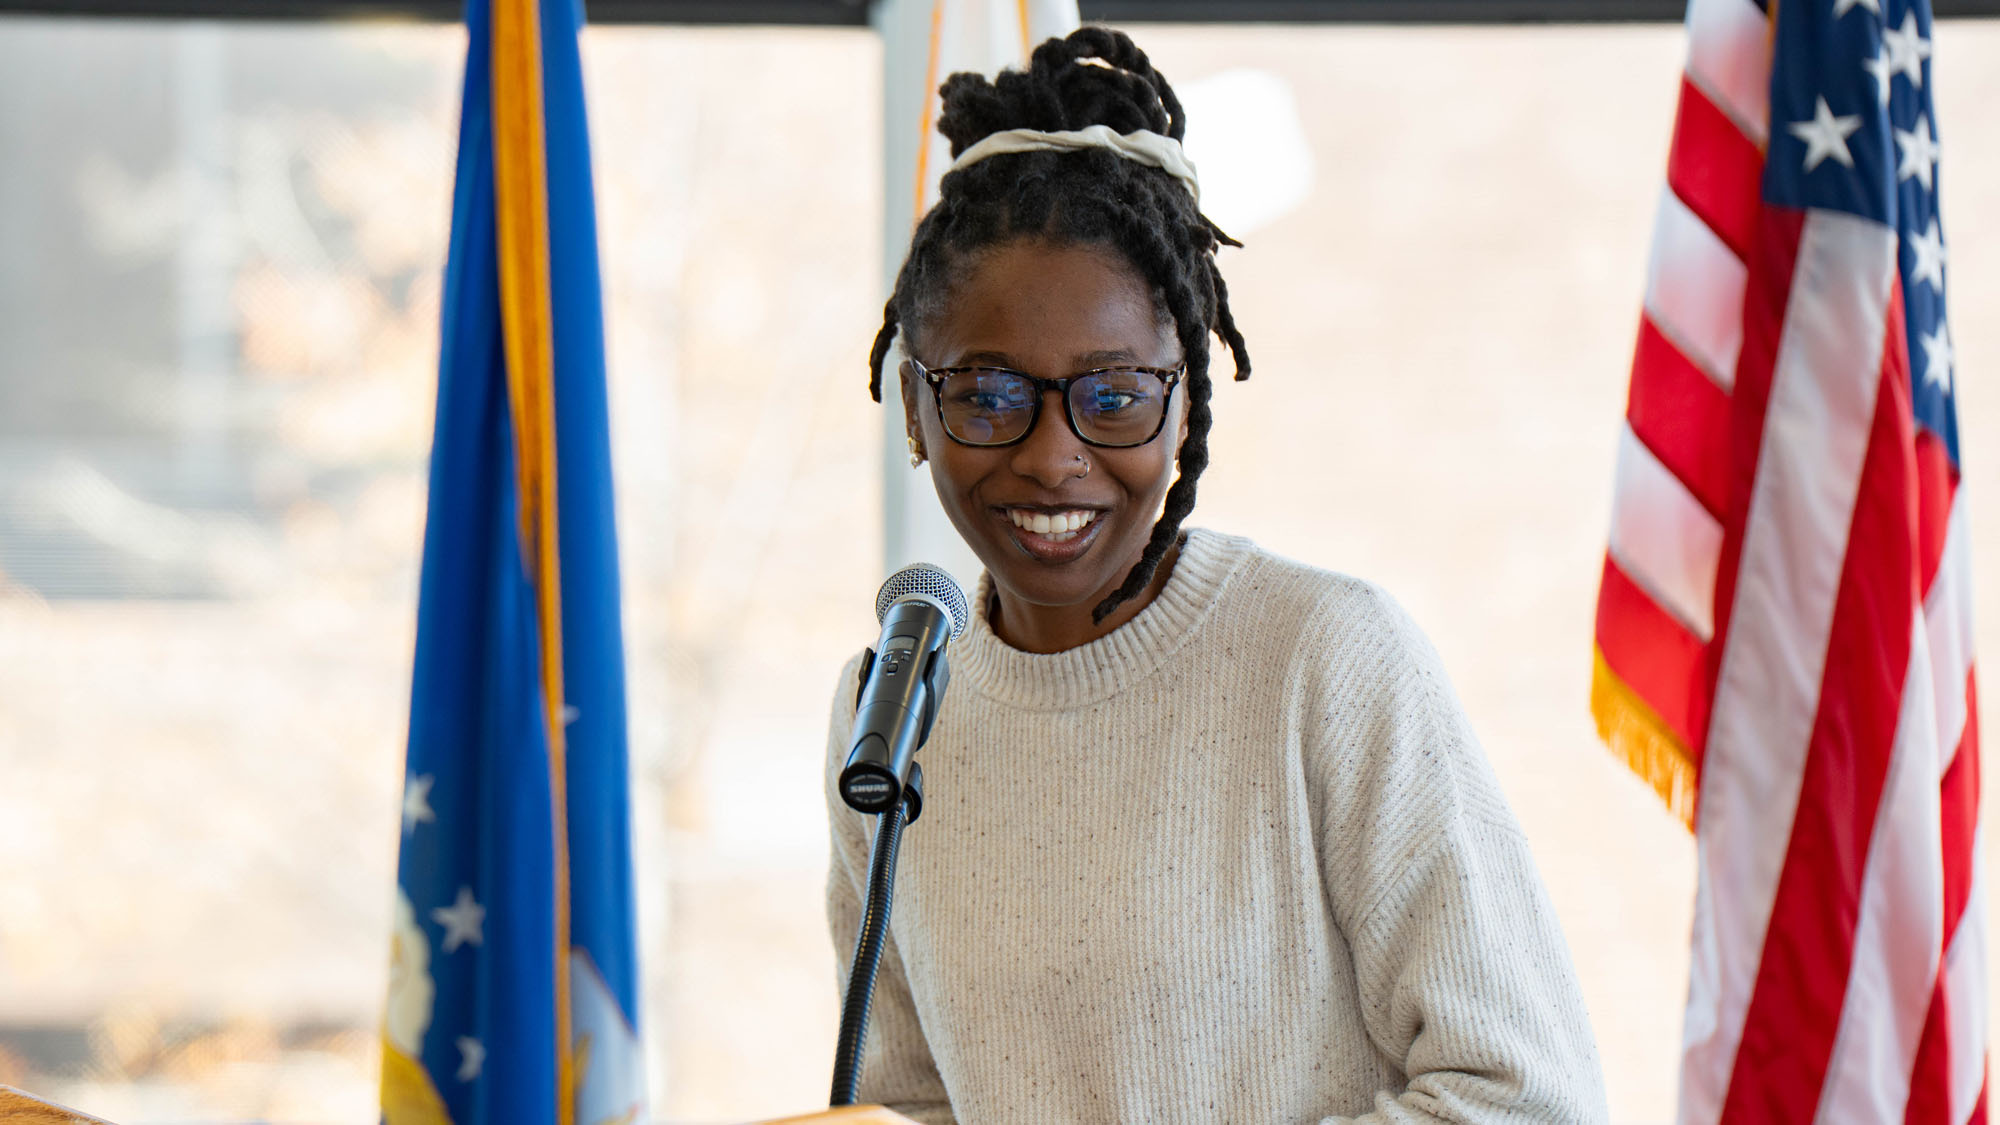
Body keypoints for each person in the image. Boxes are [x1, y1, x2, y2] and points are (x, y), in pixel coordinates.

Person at [824, 26, 1608, 1124]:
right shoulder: (889, 708)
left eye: (1111, 396)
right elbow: (908, 1111)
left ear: (1184, 403)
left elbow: (1530, 1098)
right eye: (988, 394)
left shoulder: (1322, 658)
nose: (1052, 456)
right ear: (914, 409)